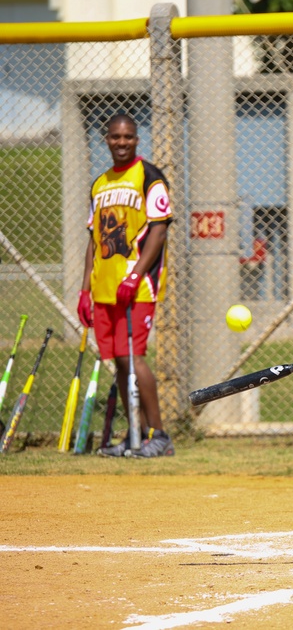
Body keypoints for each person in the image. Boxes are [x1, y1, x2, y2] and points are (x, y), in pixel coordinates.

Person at [76, 114, 175, 458]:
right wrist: (85, 289)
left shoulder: (149, 177)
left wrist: (134, 275)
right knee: (119, 360)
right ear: (106, 139)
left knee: (134, 357)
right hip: (104, 286)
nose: (122, 143)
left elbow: (159, 231)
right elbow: (94, 239)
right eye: (116, 137)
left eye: (128, 137)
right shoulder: (100, 183)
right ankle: (133, 436)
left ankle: (159, 435)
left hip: (138, 286)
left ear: (136, 140)